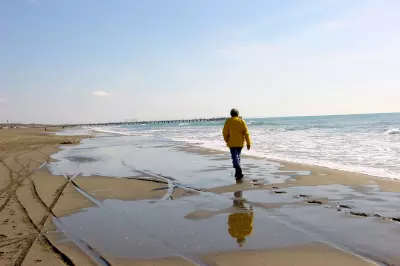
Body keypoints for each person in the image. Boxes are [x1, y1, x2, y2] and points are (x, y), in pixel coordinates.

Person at [222, 108, 251, 179]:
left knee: (235, 157)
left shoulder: (228, 121)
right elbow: (246, 133)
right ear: (238, 114)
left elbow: (225, 133)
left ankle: (237, 168)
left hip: (232, 143)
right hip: (240, 143)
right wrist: (248, 143)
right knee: (238, 156)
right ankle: (237, 173)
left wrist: (227, 140)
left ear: (231, 114)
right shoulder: (241, 121)